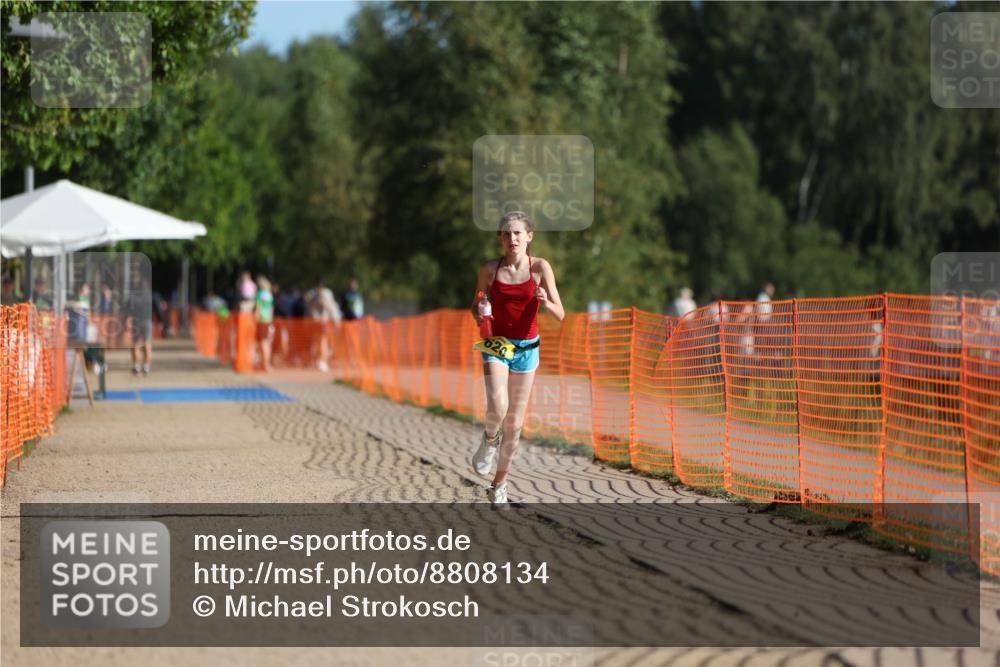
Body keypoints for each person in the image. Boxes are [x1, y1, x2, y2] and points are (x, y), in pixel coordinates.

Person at [470, 211, 565, 508]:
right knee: (498, 406)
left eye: (517, 233)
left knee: (515, 422)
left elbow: (561, 314)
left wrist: (544, 301)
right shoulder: (489, 269)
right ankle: (489, 438)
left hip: (527, 347)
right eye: (506, 234)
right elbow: (474, 307)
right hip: (497, 343)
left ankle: (499, 485)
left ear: (529, 236)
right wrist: (481, 308)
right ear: (500, 237)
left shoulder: (540, 268)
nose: (512, 239)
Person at [306, 279, 342, 371]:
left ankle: (319, 360)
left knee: (319, 341)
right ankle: (321, 361)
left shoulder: (313, 294)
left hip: (317, 321)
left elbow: (311, 308)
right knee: (323, 341)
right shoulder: (324, 294)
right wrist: (335, 319)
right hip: (322, 321)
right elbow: (330, 307)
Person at [126, 277, 154, 375]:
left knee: (135, 344)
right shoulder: (151, 295)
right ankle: (146, 366)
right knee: (147, 344)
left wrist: (126, 320)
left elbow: (127, 309)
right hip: (148, 321)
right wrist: (163, 321)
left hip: (136, 322)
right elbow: (157, 308)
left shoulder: (133, 295)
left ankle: (136, 366)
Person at [255, 275, 275, 371]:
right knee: (267, 342)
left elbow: (258, 307)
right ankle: (266, 363)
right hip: (268, 319)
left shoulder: (260, 294)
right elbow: (271, 308)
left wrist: (256, 317)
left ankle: (264, 364)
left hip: (261, 319)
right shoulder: (269, 294)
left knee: (262, 342)